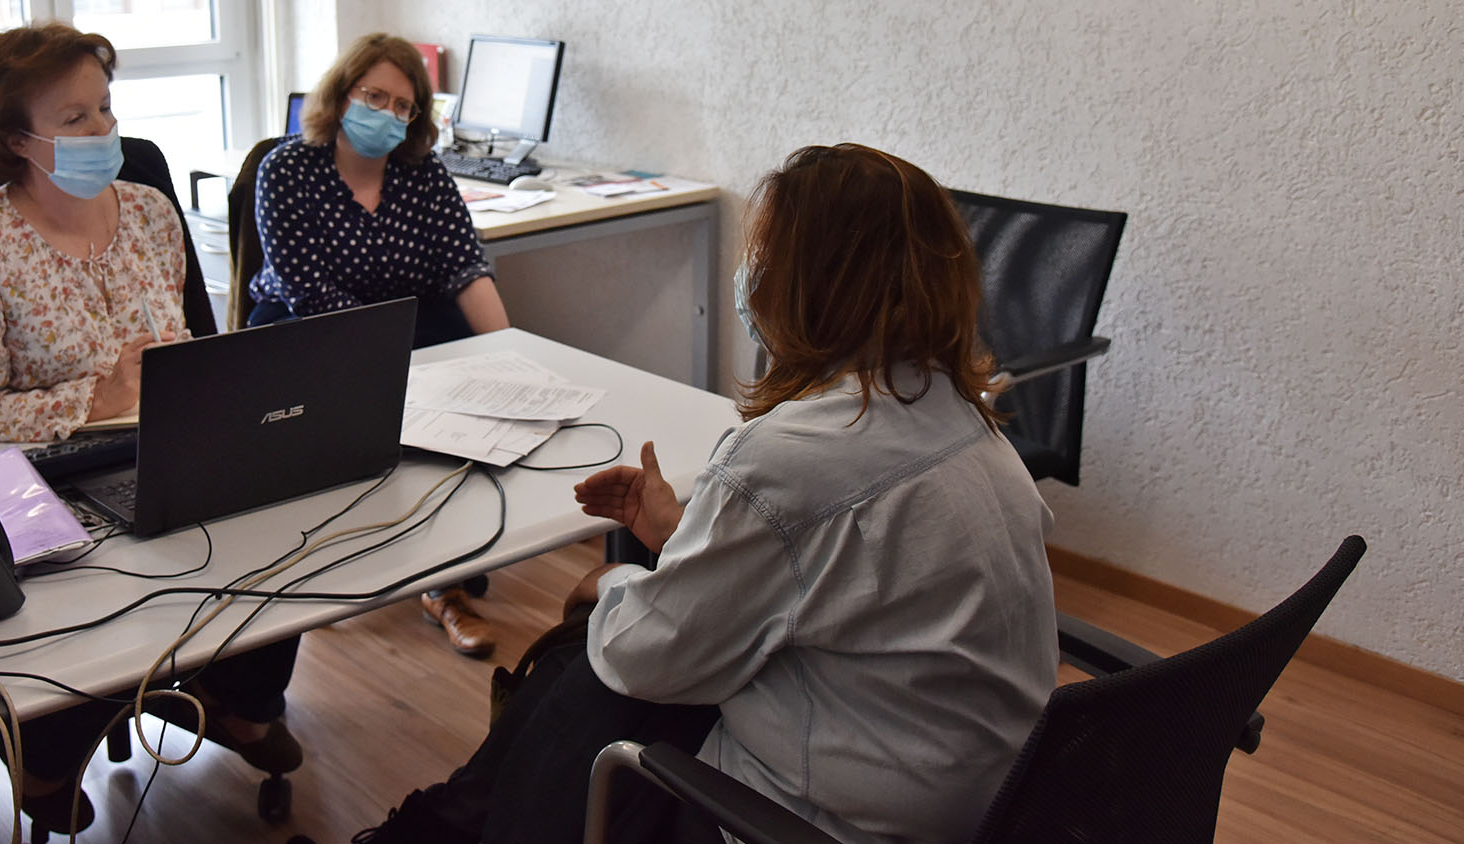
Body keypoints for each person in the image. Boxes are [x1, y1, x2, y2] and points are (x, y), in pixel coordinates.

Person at [343, 144, 1059, 844]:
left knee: (588, 662)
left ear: (809, 285)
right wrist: (686, 534)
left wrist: (613, 576)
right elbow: (835, 577)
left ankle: (443, 827)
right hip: (987, 798)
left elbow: (642, 655)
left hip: (830, 819)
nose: (750, 275)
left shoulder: (789, 458)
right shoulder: (970, 422)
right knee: (605, 654)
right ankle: (443, 825)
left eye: (764, 256)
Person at [0, 22, 301, 837]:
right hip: (34, 475)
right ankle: (48, 753)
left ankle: (236, 697)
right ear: (15, 138)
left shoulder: (153, 213)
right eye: (73, 119)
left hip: (165, 444)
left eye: (104, 109)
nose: (103, 133)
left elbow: (193, 351)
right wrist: (93, 399)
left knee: (280, 521)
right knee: (82, 579)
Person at [249, 33, 510, 657]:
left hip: (411, 322)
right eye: (374, 96)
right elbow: (306, 290)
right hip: (304, 328)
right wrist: (390, 359)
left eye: (403, 104)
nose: (388, 114)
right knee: (325, 426)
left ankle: (444, 585)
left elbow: (464, 269)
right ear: (342, 95)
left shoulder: (424, 175)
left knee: (463, 419)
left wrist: (512, 356)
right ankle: (321, 566)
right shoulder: (285, 170)